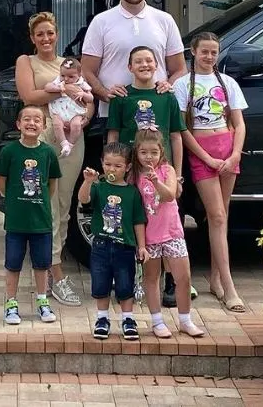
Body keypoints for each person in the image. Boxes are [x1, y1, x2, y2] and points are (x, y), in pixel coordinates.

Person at [82, 0, 189, 305]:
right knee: (128, 210)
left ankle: (168, 281)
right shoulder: (103, 22)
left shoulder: (164, 20)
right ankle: (127, 276)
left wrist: (168, 83)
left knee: (164, 212)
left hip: (158, 150)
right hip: (119, 127)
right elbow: (87, 69)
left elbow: (179, 67)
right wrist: (104, 93)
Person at [15, 11, 95, 307]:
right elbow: (29, 96)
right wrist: (65, 89)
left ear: (57, 34)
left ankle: (52, 269)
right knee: (44, 203)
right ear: (33, 38)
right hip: (43, 136)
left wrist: (83, 117)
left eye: (50, 33)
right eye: (40, 34)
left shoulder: (70, 64)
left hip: (70, 138)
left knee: (63, 203)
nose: (46, 38)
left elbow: (88, 101)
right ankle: (55, 272)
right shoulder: (27, 62)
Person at [173, 31, 248, 313]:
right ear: (193, 52)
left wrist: (235, 153)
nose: (209, 56)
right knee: (215, 215)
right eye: (204, 51)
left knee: (222, 217)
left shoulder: (227, 83)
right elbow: (183, 129)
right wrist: (205, 157)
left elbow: (239, 124)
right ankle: (229, 286)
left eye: (214, 52)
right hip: (202, 153)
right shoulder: (183, 85)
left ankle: (217, 279)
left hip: (227, 150)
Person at [131, 129, 205, 338]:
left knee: (184, 276)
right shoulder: (133, 176)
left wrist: (156, 182)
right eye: (143, 152)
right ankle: (157, 321)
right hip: (149, 235)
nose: (148, 157)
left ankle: (185, 320)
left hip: (172, 232)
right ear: (136, 152)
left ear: (161, 151)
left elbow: (169, 195)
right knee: (152, 277)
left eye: (153, 152)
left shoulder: (168, 170)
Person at [0, 105, 59, 324]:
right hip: (16, 221)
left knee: (41, 264)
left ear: (43, 125)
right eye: (27, 120)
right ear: (19, 124)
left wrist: (38, 202)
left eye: (37, 120)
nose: (32, 123)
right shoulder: (10, 152)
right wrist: (14, 201)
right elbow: (1, 182)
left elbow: (51, 184)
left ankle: (42, 301)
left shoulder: (48, 152)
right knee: (13, 263)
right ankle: (11, 304)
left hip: (41, 221)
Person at [78, 142, 149, 340]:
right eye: (108, 164)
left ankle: (128, 318)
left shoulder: (132, 192)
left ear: (127, 167)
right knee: (101, 282)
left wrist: (141, 246)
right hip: (101, 245)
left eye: (118, 166)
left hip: (125, 247)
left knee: (125, 283)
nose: (112, 169)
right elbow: (83, 200)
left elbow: (138, 221)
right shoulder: (99, 187)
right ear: (102, 164)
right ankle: (102, 318)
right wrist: (88, 182)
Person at [106, 46, 185, 166]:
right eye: (138, 61)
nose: (144, 64)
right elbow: (113, 135)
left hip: (162, 168)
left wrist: (178, 176)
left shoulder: (168, 97)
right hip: (129, 168)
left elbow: (176, 137)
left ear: (156, 65)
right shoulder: (120, 97)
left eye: (149, 61)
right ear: (130, 67)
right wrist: (112, 165)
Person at [45, 57, 94, 157]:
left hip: (75, 111)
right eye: (63, 75)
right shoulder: (59, 81)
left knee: (76, 125)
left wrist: (83, 94)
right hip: (59, 110)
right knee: (57, 124)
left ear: (79, 75)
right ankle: (64, 143)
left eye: (71, 76)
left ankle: (70, 144)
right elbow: (47, 87)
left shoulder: (81, 83)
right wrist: (59, 88)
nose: (66, 79)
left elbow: (91, 99)